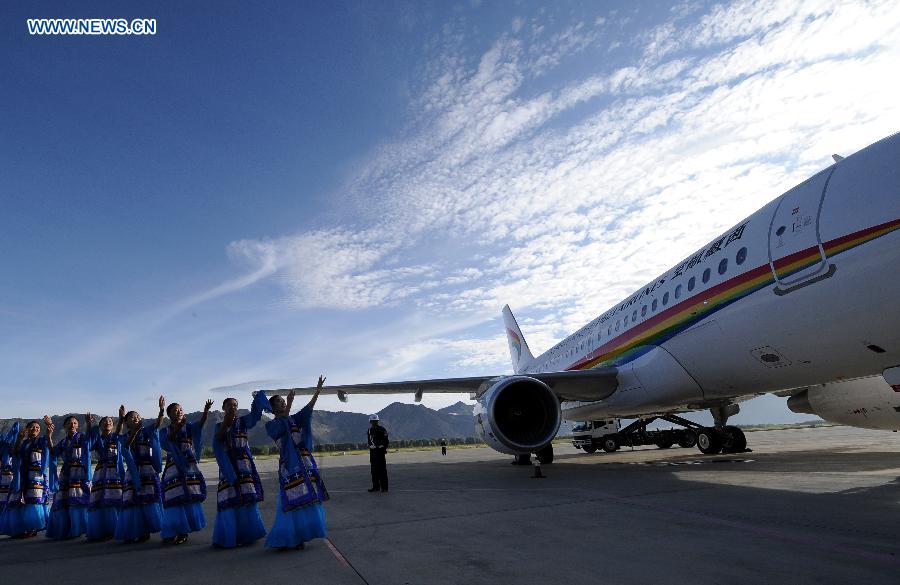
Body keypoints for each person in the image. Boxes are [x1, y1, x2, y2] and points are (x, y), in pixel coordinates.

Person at [265, 375, 329, 550]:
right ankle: (288, 536)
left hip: (304, 462)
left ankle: (299, 535)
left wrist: (317, 391)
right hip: (290, 465)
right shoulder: (271, 425)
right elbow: (282, 424)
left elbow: (308, 409)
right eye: (279, 402)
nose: (283, 403)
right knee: (291, 499)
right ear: (271, 408)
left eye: (282, 401)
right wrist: (290, 402)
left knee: (306, 497)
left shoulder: (294, 418)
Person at [211, 391, 270, 548]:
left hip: (244, 465)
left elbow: (255, 415)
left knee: (247, 496)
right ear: (223, 408)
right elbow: (217, 442)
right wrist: (226, 424)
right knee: (229, 497)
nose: (232, 407)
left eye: (235, 405)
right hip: (228, 466)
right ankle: (230, 535)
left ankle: (247, 535)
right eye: (229, 405)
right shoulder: (218, 426)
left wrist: (258, 398)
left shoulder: (243, 422)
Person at [159, 398, 212, 545]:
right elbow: (166, 442)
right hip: (173, 465)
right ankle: (171, 529)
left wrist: (206, 411)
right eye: (176, 410)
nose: (179, 411)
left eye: (181, 409)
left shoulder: (188, 427)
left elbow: (200, 425)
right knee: (174, 496)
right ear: (169, 414)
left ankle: (184, 531)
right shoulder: (166, 430)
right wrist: (177, 427)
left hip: (188, 464)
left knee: (187, 495)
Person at [115, 398, 165, 543]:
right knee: (132, 500)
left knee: (148, 499)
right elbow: (125, 446)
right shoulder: (124, 436)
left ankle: (145, 530)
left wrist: (161, 410)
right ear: (126, 422)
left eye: (138, 416)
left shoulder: (147, 430)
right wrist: (134, 432)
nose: (136, 418)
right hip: (133, 472)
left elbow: (157, 424)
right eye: (132, 417)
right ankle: (131, 531)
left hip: (148, 469)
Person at [46, 414, 93, 539]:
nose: (72, 425)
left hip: (79, 473)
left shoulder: (82, 437)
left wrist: (89, 425)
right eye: (69, 423)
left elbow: (89, 440)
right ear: (65, 426)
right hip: (66, 474)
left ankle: (79, 528)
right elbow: (53, 452)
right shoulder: (63, 442)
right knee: (63, 500)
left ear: (77, 426)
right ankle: (66, 529)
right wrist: (49, 436)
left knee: (78, 500)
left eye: (74, 423)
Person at [3, 419, 52, 538]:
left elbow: (48, 442)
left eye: (37, 428)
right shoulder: (24, 443)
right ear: (27, 429)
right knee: (17, 498)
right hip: (22, 474)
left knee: (34, 499)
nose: (34, 429)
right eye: (32, 427)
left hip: (36, 475)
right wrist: (19, 439)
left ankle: (32, 527)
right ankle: (20, 527)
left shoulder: (41, 441)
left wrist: (49, 426)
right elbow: (15, 453)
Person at [87, 410, 125, 541]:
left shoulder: (116, 437)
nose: (107, 423)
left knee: (116, 496)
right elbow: (88, 446)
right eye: (104, 421)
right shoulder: (97, 439)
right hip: (100, 471)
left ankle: (118, 528)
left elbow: (120, 429)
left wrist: (121, 419)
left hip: (115, 470)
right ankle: (102, 529)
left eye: (110, 421)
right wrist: (88, 426)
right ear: (100, 426)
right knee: (99, 498)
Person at [0, 422, 21, 536]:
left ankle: (10, 527)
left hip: (11, 479)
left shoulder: (12, 449)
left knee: (10, 503)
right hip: (7, 478)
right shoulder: (5, 450)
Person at [367, 414, 389, 492]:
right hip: (373, 453)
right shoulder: (369, 430)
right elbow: (369, 440)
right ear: (370, 422)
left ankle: (384, 488)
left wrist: (383, 446)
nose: (374, 423)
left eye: (375, 421)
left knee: (382, 471)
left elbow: (386, 440)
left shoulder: (382, 429)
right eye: (373, 421)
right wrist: (370, 445)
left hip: (380, 452)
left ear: (378, 421)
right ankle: (376, 487)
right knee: (374, 471)